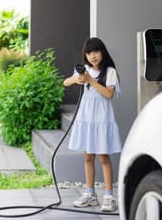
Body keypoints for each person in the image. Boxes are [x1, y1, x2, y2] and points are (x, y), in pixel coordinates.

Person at [64, 37, 122, 212]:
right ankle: (90, 194)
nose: (92, 56)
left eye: (95, 52)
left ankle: (109, 196)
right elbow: (66, 82)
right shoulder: (83, 70)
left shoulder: (110, 71)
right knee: (88, 156)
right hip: (86, 117)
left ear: (102, 52)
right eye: (89, 53)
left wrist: (91, 80)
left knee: (103, 157)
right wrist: (77, 79)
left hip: (102, 118)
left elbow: (109, 94)